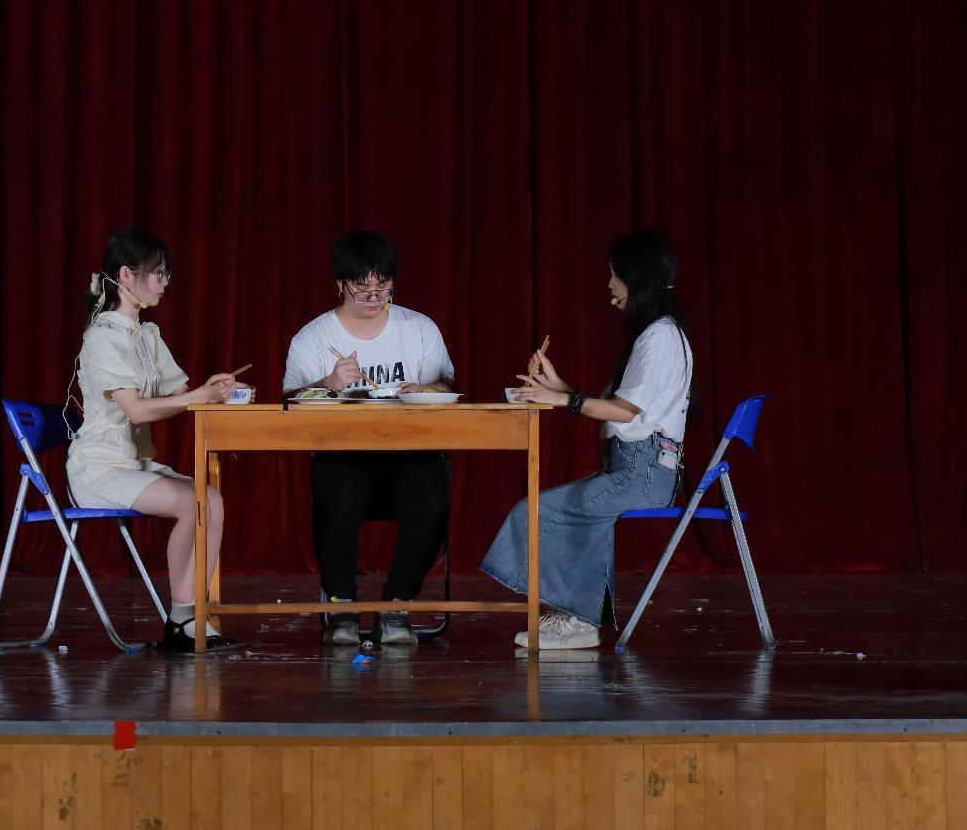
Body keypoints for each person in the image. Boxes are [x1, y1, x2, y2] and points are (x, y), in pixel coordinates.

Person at [481, 229, 694, 649]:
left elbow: (624, 412)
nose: (610, 284)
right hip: (638, 468)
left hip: (643, 474)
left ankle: (578, 621)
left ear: (636, 279)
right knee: (555, 510)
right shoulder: (658, 334)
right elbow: (623, 406)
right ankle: (574, 616)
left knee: (543, 512)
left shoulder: (659, 338)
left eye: (615, 275)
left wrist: (563, 400)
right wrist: (562, 388)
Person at [67, 228, 251, 653]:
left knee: (211, 499)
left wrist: (219, 391)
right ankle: (184, 619)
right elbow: (137, 410)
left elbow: (182, 394)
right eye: (158, 273)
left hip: (135, 466)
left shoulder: (146, 335)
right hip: (100, 468)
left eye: (167, 274)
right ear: (126, 275)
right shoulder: (103, 336)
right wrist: (200, 395)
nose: (165, 282)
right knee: (192, 502)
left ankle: (185, 616)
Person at [283, 230, 454, 645]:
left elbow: (446, 383)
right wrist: (328, 383)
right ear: (340, 284)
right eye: (363, 289)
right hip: (343, 452)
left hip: (410, 450)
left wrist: (423, 389)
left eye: (384, 287)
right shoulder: (314, 336)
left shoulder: (419, 327)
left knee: (432, 491)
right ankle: (341, 604)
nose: (375, 298)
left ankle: (397, 604)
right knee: (335, 487)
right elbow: (290, 400)